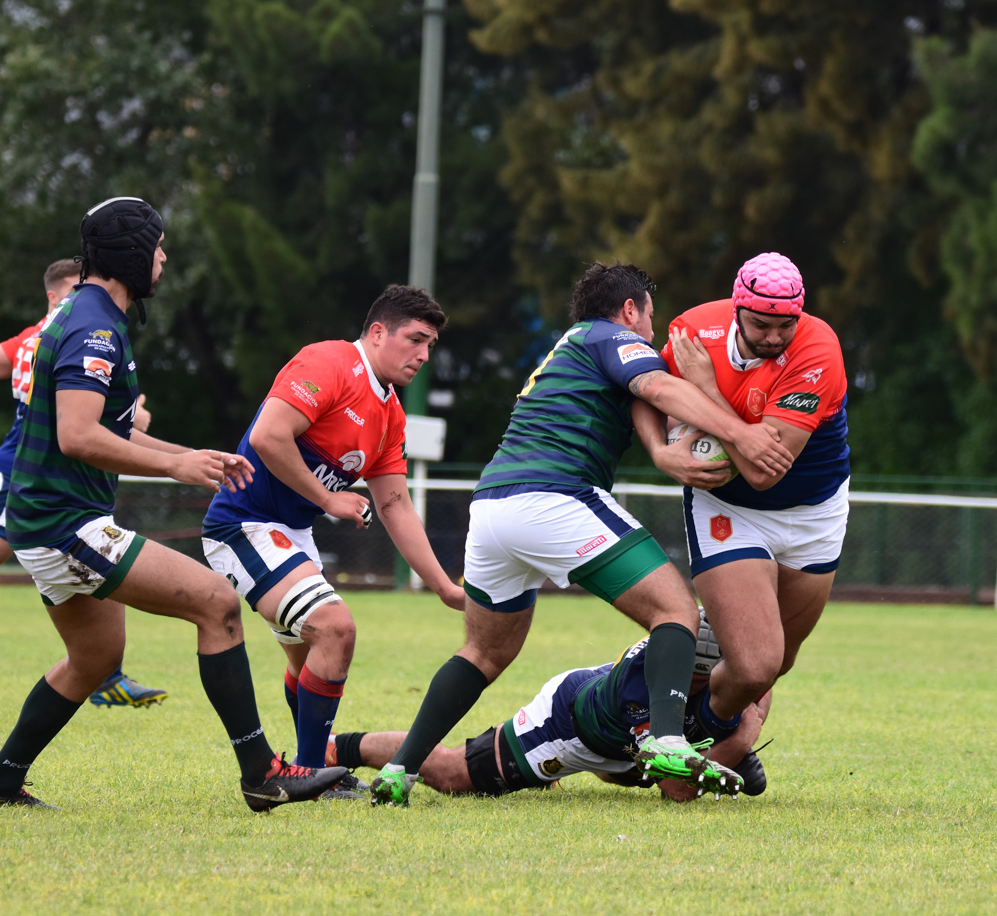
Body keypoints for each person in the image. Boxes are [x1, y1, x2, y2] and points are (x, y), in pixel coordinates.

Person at [368, 262, 795, 806]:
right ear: (629, 309)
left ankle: (399, 771)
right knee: (676, 611)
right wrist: (740, 435)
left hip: (493, 507)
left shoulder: (574, 346)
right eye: (650, 319)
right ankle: (666, 740)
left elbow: (643, 400)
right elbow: (658, 385)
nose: (652, 334)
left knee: (482, 652)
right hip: (555, 496)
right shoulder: (610, 336)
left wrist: (664, 450)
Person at [0, 196, 346, 809]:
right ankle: (262, 773)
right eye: (157, 246)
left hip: (44, 519)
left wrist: (191, 456)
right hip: (63, 523)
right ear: (130, 254)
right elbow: (78, 434)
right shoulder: (95, 326)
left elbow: (111, 427)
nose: (164, 257)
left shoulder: (85, 312)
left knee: (94, 659)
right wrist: (177, 465)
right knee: (218, 603)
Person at [201, 286, 464, 798]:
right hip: (242, 524)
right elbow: (268, 437)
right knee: (335, 629)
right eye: (415, 340)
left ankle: (311, 762)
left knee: (311, 661)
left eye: (430, 345)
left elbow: (395, 505)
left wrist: (443, 587)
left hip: (291, 535)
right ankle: (308, 775)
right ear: (378, 332)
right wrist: (328, 498)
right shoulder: (330, 362)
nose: (423, 356)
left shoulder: (390, 413)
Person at [637, 252, 849, 786]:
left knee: (777, 664)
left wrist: (706, 392)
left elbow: (764, 471)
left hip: (814, 514)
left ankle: (707, 731)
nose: (775, 336)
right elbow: (641, 389)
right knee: (754, 664)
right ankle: (689, 742)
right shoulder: (692, 329)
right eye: (761, 324)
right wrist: (663, 452)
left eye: (786, 325)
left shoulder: (818, 348)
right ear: (737, 309)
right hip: (728, 509)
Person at [0, 259, 167, 708]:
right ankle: (104, 672)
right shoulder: (56, 334)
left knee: (101, 549)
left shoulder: (65, 331)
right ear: (53, 295)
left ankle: (106, 673)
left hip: (54, 467)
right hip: (25, 467)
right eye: (73, 290)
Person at [332, 612, 769, 802]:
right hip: (566, 726)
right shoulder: (643, 687)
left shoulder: (723, 670)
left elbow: (762, 673)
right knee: (451, 774)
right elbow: (676, 790)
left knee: (634, 766)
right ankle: (338, 750)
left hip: (623, 740)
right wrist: (746, 729)